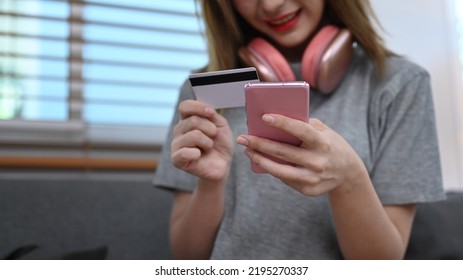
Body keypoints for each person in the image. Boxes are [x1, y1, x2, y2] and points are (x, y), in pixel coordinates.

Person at [153, 0, 445, 260]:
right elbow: (188, 258)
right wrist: (210, 184)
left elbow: (382, 263)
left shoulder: (400, 84)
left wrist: (349, 178)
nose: (270, 5)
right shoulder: (206, 92)